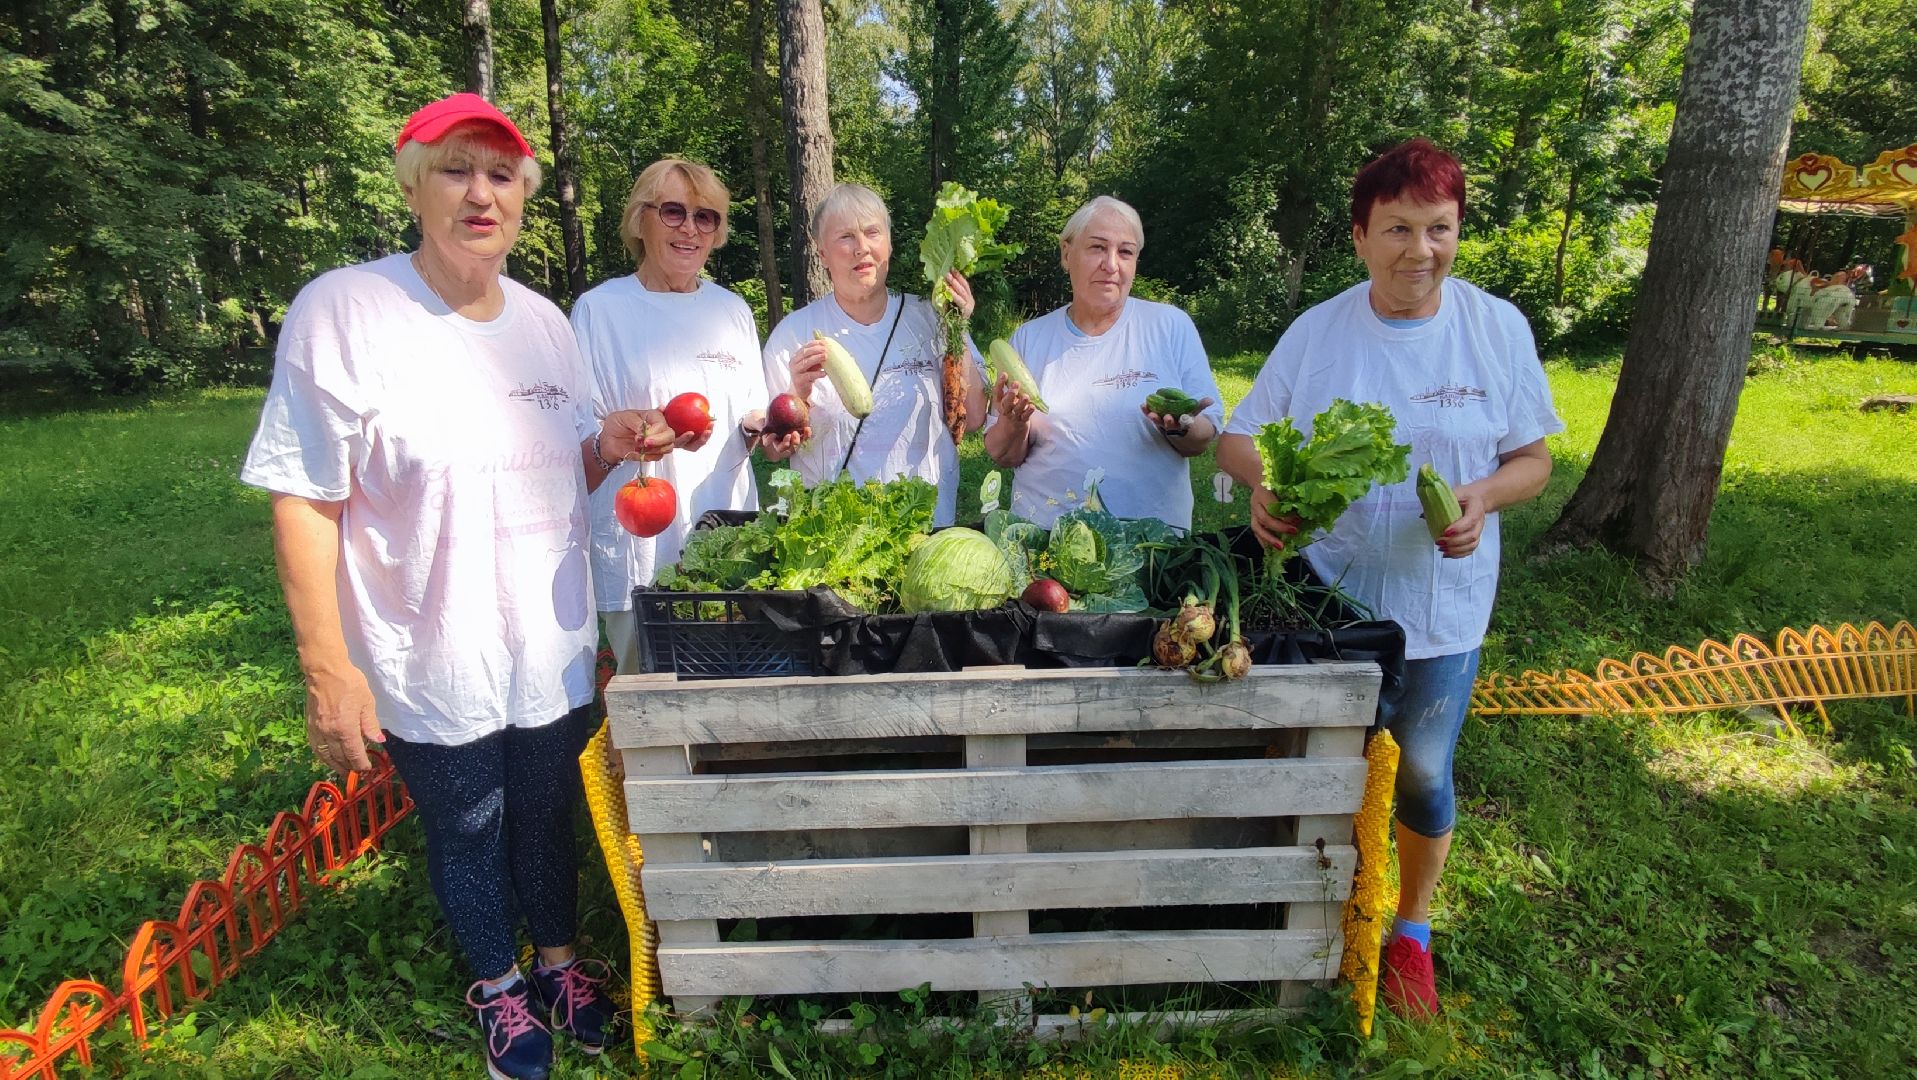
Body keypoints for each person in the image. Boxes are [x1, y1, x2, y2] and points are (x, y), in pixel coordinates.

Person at [240, 93, 668, 1080]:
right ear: (412, 185)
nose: (483, 192)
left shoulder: (546, 324)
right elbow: (305, 497)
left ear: (523, 193)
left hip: (545, 643)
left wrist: (608, 442)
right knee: (468, 826)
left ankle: (559, 964)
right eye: (455, 169)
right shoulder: (348, 311)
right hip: (429, 646)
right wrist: (328, 668)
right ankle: (499, 987)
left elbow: (564, 464)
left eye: (502, 173)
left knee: (547, 809)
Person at [1216, 138, 1562, 1020]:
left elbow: (1534, 458)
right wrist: (1263, 488)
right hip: (1325, 597)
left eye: (1438, 229)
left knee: (1420, 774)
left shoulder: (1494, 327)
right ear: (1360, 236)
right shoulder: (1320, 331)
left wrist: (1483, 496)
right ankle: (1308, 908)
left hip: (1439, 605)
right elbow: (1237, 437)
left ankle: (1409, 929)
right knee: (1314, 762)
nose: (1421, 251)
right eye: (1399, 229)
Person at [574, 158, 768, 674]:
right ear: (641, 220)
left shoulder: (732, 311)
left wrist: (758, 431)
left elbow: (748, 413)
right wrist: (632, 434)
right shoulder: (601, 310)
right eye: (673, 212)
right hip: (642, 543)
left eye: (705, 217)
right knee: (650, 701)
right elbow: (583, 434)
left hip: (726, 538)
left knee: (733, 689)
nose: (690, 229)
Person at [984, 196, 1223, 528]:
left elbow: (1201, 440)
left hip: (1151, 545)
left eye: (1125, 252)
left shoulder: (1169, 326)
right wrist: (1014, 424)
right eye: (1097, 248)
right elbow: (1003, 454)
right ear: (1067, 253)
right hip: (1045, 539)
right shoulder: (1029, 339)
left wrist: (1180, 426)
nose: (1111, 265)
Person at [760, 183, 986, 525]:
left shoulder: (931, 319)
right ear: (822, 254)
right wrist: (798, 396)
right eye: (846, 237)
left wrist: (958, 325)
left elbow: (975, 417)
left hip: (925, 527)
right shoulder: (794, 335)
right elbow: (773, 450)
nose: (861, 248)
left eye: (872, 233)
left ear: (889, 244)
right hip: (832, 535)